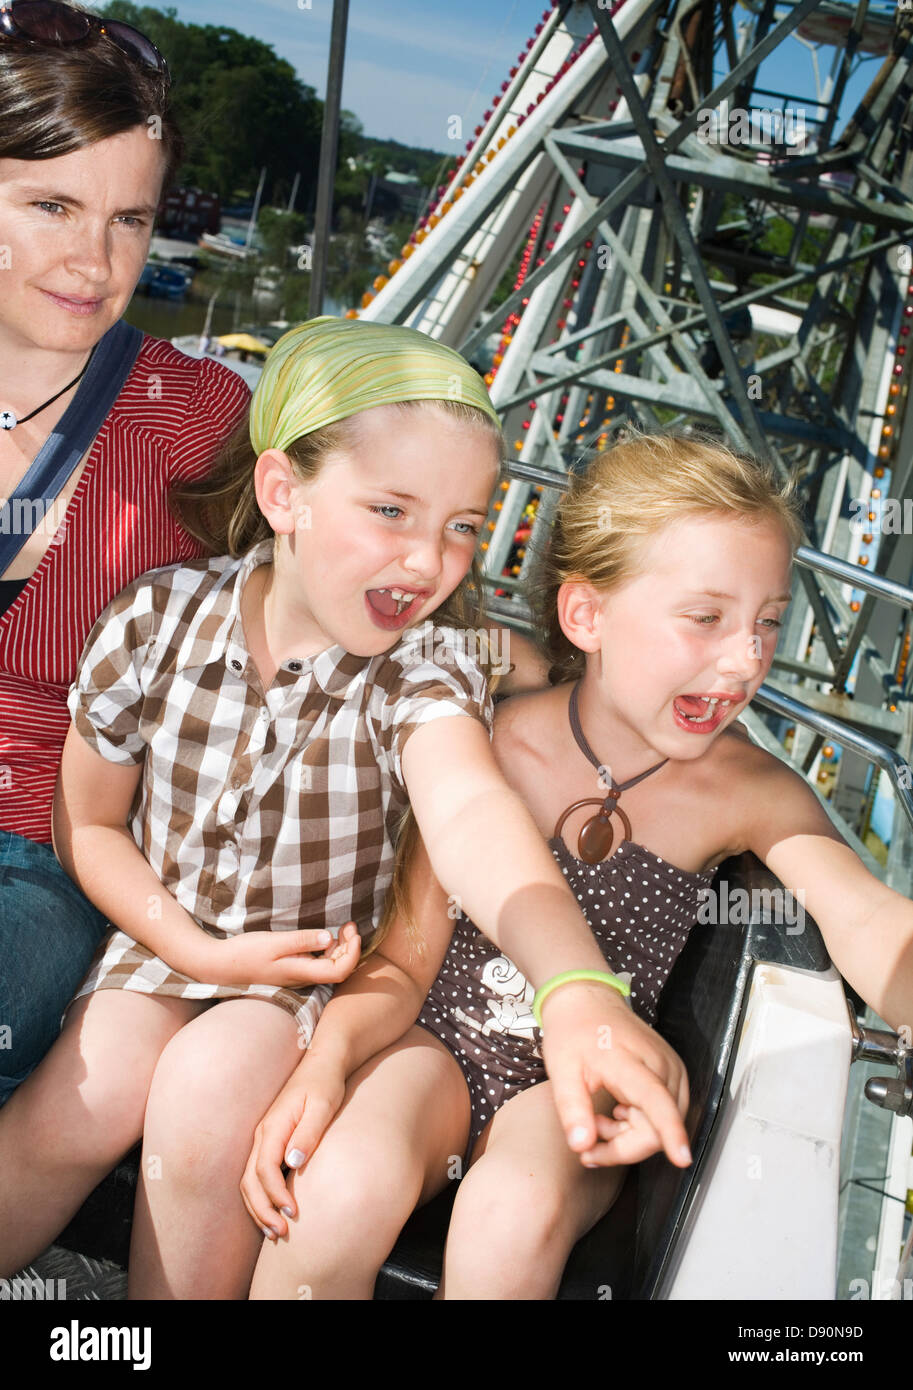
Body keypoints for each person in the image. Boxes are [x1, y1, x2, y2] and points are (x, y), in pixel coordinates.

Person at [0, 320, 691, 1298]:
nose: (430, 561)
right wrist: (192, 949)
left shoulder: (425, 672)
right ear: (284, 493)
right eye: (392, 510)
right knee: (86, 1096)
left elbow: (470, 817)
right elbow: (90, 824)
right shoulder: (153, 620)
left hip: (308, 980)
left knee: (208, 1096)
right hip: (160, 943)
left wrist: (573, 983)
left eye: (461, 524)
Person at [237, 431, 913, 1300]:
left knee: (510, 1220)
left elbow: (861, 914)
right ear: (585, 615)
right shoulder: (487, 742)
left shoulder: (747, 791)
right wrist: (325, 1063)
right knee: (334, 1194)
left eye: (767, 621)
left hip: (583, 1092)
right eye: (704, 617)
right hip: (431, 1048)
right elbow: (405, 960)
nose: (747, 659)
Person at [0, 1, 250, 1102]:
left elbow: (347, 596)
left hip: (39, 853)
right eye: (51, 204)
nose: (94, 262)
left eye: (132, 220)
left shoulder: (188, 417)